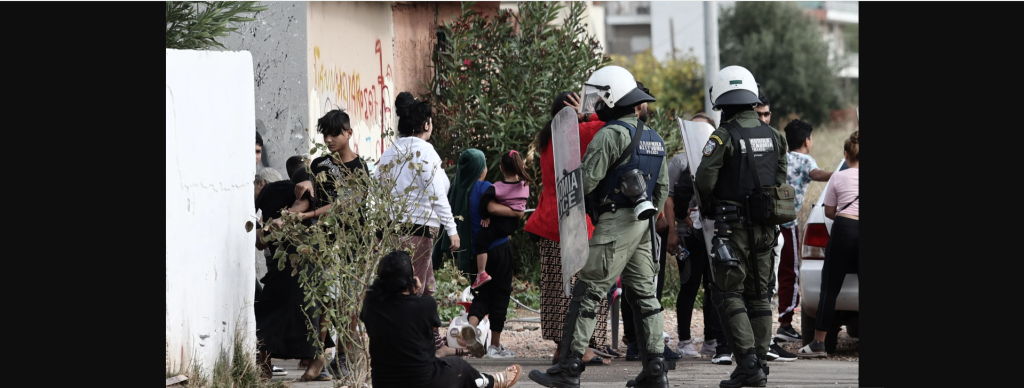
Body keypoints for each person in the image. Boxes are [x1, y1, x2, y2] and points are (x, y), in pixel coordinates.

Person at [528, 66, 669, 388]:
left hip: (614, 223)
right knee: (646, 297)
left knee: (588, 292)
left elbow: (586, 181)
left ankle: (569, 368)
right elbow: (661, 190)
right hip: (642, 227)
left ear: (609, 97)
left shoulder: (610, 134)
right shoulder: (653, 137)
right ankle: (655, 371)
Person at [694, 65, 789, 388]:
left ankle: (747, 363)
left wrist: (711, 202)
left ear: (721, 99)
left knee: (729, 292)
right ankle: (759, 364)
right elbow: (779, 182)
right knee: (761, 294)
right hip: (766, 229)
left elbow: (704, 180)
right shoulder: (775, 136)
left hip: (732, 229)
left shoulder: (723, 136)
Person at [522, 91, 611, 368]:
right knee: (581, 287)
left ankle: (563, 348)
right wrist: (587, 115)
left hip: (550, 223)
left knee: (557, 290)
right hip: (575, 224)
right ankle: (579, 349)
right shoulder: (579, 131)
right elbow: (612, 125)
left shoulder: (548, 137)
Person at [360, 250, 524, 388]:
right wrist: (415, 293)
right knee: (460, 367)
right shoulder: (426, 304)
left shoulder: (370, 305)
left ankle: (485, 380)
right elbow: (426, 333)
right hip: (422, 381)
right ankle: (490, 381)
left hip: (382, 383)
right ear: (410, 278)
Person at [617, 82, 683, 363]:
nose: (644, 107)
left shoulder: (624, 134)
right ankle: (642, 345)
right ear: (637, 105)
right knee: (639, 286)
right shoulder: (641, 136)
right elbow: (662, 188)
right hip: (633, 223)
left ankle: (645, 347)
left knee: (641, 286)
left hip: (635, 222)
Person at [664, 113, 735, 367]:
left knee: (713, 287)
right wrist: (673, 231)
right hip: (687, 236)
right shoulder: (679, 161)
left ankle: (711, 339)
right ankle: (684, 340)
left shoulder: (719, 159)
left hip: (713, 235)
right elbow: (669, 199)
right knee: (689, 285)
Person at [374, 92, 460, 297]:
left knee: (424, 284)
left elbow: (376, 189)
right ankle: (413, 328)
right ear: (426, 125)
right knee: (413, 288)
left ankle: (430, 328)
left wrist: (377, 229)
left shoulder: (390, 151)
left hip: (391, 228)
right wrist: (452, 229)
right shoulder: (426, 151)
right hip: (419, 229)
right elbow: (437, 193)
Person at [253, 168, 335, 382]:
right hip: (282, 263)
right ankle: (264, 364)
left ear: (260, 183)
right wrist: (267, 230)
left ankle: (317, 360)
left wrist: (286, 217)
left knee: (308, 309)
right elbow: (260, 244)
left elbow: (304, 201)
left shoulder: (274, 189)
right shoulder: (263, 206)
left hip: (303, 257)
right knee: (268, 308)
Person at [446, 149, 523, 359]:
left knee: (483, 295)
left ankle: (471, 326)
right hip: (498, 249)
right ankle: (495, 346)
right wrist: (517, 213)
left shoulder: (457, 192)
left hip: (474, 255)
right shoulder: (486, 188)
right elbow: (501, 211)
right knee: (501, 296)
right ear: (482, 168)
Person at [798, 131, 858, 358]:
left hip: (843, 230)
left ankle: (819, 344)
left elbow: (830, 211)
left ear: (846, 154)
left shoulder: (838, 177)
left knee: (829, 289)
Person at [774, 119, 833, 345]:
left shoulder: (781, 157)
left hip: (771, 221)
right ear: (807, 140)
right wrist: (837, 174)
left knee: (776, 269)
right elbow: (816, 174)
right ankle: (785, 324)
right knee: (791, 270)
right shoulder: (806, 160)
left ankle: (779, 319)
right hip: (788, 224)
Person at [472, 150, 531, 289]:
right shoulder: (525, 185)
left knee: (481, 240)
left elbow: (484, 200)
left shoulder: (497, 187)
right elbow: (520, 210)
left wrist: (485, 216)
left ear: (501, 168)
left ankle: (481, 272)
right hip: (513, 224)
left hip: (500, 223)